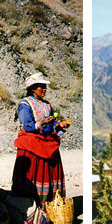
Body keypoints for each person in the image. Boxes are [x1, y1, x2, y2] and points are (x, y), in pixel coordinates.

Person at [12, 72, 71, 211]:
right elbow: (27, 124)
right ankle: (33, 206)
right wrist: (41, 123)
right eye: (41, 87)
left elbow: (50, 125)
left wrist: (59, 125)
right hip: (32, 143)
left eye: (45, 87)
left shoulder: (47, 105)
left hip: (47, 142)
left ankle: (51, 205)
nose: (44, 90)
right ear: (33, 88)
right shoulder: (25, 104)